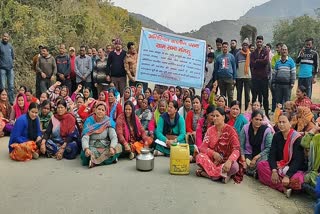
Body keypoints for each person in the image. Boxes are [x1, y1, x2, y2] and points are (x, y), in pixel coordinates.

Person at [257, 113, 305, 198]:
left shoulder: (297, 138)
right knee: (261, 165)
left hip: (292, 170)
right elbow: (272, 155)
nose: (281, 124)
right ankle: (283, 187)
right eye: (279, 122)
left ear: (290, 123)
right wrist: (274, 171)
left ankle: (280, 183)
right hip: (279, 166)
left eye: (284, 122)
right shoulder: (276, 136)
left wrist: (287, 176)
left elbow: (298, 161)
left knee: (298, 180)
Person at [195, 107, 243, 183]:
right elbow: (203, 148)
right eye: (213, 116)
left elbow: (236, 149)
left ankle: (208, 174)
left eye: (217, 116)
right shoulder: (210, 130)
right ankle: (220, 176)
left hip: (225, 161)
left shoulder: (231, 131)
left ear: (223, 117)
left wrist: (229, 161)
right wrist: (213, 154)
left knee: (235, 167)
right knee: (199, 157)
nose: (214, 118)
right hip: (213, 161)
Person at [81, 101, 122, 168]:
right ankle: (110, 160)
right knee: (84, 155)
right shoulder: (89, 121)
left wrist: (111, 147)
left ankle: (94, 162)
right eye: (99, 109)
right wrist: (86, 149)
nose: (100, 111)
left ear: (105, 112)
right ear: (95, 110)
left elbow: (114, 137)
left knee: (119, 147)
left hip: (105, 146)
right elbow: (85, 137)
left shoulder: (108, 121)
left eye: (103, 110)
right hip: (92, 146)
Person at [240, 110, 273, 177]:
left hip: (261, 155)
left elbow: (269, 148)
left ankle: (252, 171)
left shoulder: (267, 130)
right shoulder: (245, 128)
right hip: (248, 153)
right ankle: (253, 172)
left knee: (262, 164)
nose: (258, 122)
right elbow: (241, 146)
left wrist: (255, 158)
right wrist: (243, 160)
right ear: (251, 119)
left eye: (260, 120)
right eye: (256, 119)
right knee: (240, 162)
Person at [250, 36, 270, 119]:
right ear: (256, 42)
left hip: (264, 78)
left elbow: (266, 62)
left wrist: (257, 61)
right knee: (254, 97)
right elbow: (252, 64)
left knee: (265, 97)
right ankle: (254, 114)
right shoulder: (253, 53)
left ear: (262, 42)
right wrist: (260, 61)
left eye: (260, 41)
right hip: (255, 78)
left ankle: (266, 114)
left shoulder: (266, 51)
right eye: (258, 42)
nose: (259, 43)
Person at [214, 42, 236, 107]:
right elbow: (216, 69)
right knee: (222, 95)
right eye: (223, 47)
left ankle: (230, 108)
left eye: (226, 47)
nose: (225, 48)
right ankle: (222, 109)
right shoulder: (218, 57)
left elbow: (234, 67)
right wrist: (216, 79)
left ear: (227, 47)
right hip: (221, 79)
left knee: (230, 95)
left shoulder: (231, 56)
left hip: (229, 78)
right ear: (222, 48)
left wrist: (234, 78)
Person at [235, 38, 251, 111]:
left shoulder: (250, 54)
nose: (245, 46)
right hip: (239, 77)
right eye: (244, 45)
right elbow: (235, 65)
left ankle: (247, 111)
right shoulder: (238, 54)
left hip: (248, 77)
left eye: (246, 45)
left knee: (247, 95)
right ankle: (239, 110)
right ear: (242, 45)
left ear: (248, 46)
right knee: (239, 95)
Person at [0, 33, 15, 104]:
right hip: (2, 68)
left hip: (10, 69)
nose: (5, 38)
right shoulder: (0, 45)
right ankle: (2, 102)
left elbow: (12, 56)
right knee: (2, 86)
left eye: (7, 37)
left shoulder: (10, 46)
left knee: (11, 86)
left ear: (8, 38)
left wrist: (11, 64)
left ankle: (11, 101)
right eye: (4, 36)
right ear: (2, 37)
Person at [270, 43, 283, 112]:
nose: (277, 49)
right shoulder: (275, 57)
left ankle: (281, 110)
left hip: (283, 79)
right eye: (277, 48)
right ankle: (273, 110)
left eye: (279, 47)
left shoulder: (286, 57)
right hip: (275, 79)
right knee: (274, 95)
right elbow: (273, 66)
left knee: (282, 96)